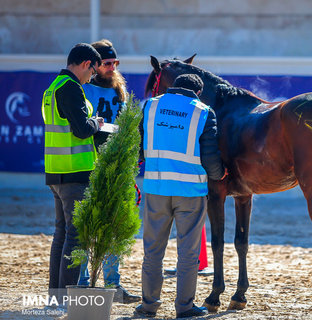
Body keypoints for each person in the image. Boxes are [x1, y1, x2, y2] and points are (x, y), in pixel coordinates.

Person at [134, 74, 227, 318]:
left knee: (152, 251)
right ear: (198, 91)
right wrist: (219, 173)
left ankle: (149, 305)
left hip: (156, 188)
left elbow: (139, 145)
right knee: (188, 254)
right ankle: (184, 307)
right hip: (190, 192)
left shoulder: (151, 105)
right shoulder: (203, 111)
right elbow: (209, 156)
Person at [77, 39, 141, 304]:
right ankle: (80, 284)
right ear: (94, 64)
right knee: (84, 228)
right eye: (107, 63)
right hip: (91, 166)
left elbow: (125, 127)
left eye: (115, 63)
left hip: (118, 166)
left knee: (116, 227)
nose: (112, 67)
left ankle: (113, 285)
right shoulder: (84, 89)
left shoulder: (119, 90)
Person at [41, 43, 103, 301]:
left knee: (62, 234)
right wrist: (96, 123)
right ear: (86, 63)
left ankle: (55, 295)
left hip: (57, 172)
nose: (92, 78)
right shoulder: (71, 88)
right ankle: (65, 297)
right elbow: (81, 129)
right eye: (93, 72)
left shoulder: (52, 88)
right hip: (75, 173)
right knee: (74, 237)